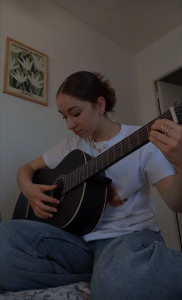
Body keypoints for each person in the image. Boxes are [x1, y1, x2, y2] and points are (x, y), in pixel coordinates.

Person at [0, 71, 182, 299]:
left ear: (100, 104)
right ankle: (106, 274)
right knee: (3, 241)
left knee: (118, 288)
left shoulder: (143, 140)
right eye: (63, 116)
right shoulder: (70, 146)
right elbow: (24, 170)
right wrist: (30, 190)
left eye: (75, 113)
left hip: (127, 238)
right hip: (77, 244)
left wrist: (180, 165)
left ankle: (119, 273)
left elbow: (176, 203)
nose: (69, 124)